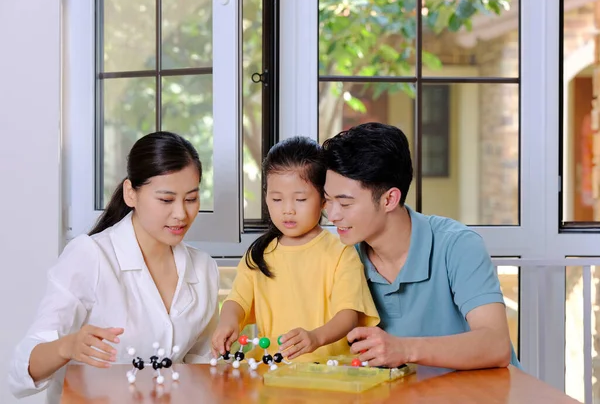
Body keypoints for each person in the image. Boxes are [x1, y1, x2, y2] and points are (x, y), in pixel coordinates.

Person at [9, 132, 219, 402]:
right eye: (166, 200)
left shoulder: (203, 268)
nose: (181, 213)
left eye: (191, 199)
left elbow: (200, 365)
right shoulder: (90, 256)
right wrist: (67, 346)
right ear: (131, 193)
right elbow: (19, 374)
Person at [321, 122, 519, 370]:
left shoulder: (457, 245)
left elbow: (495, 344)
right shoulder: (344, 257)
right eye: (328, 201)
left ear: (389, 199)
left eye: (345, 204)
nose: (333, 215)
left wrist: (403, 349)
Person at [211, 136, 379, 363]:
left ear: (323, 201)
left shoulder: (340, 253)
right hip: (272, 374)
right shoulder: (259, 254)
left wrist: (315, 338)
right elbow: (237, 300)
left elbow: (348, 315)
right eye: (277, 199)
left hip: (329, 375)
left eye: (300, 199)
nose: (287, 210)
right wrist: (228, 322)